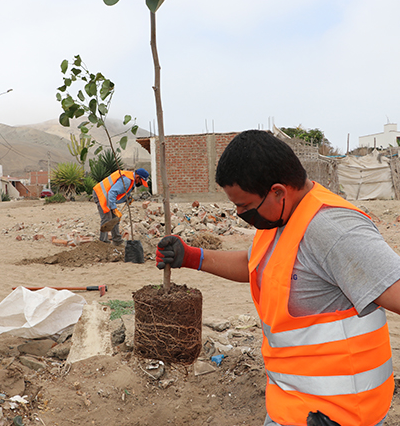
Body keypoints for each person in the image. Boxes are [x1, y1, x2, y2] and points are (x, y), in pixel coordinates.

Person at [156, 130, 400, 426]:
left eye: (245, 206)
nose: (239, 213)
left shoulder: (333, 229)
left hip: (339, 414)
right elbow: (255, 263)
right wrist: (193, 257)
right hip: (293, 403)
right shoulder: (280, 218)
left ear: (278, 192)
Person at [92, 168, 149, 244]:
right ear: (138, 177)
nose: (141, 184)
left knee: (115, 218)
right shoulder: (127, 180)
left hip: (106, 195)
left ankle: (117, 241)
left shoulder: (130, 180)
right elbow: (112, 193)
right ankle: (103, 242)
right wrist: (114, 208)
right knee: (107, 218)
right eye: (141, 182)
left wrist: (127, 198)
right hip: (101, 194)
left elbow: (123, 191)